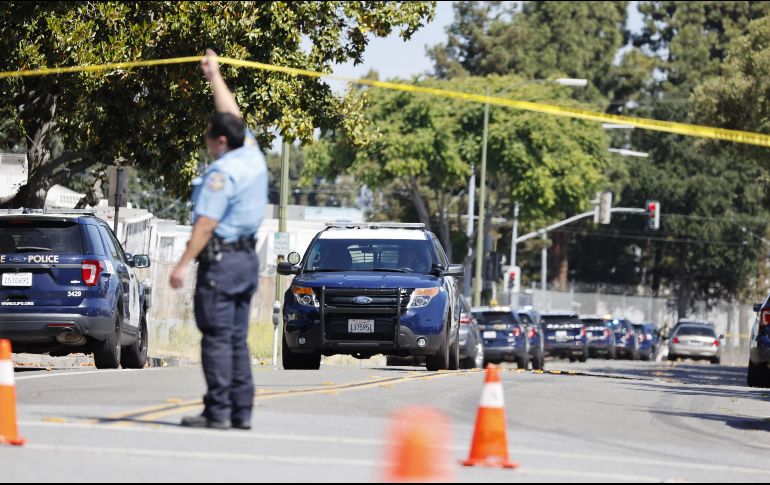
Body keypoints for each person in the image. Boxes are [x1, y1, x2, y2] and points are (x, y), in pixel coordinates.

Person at [170, 49, 268, 430]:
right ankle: (241, 411)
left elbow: (206, 224)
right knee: (236, 338)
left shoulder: (222, 173)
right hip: (246, 263)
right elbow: (233, 114)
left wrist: (182, 264)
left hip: (222, 264)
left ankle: (218, 411)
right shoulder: (253, 157)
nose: (208, 145)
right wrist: (215, 76)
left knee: (216, 337)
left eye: (210, 140)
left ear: (221, 141)